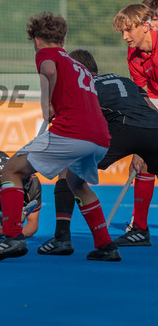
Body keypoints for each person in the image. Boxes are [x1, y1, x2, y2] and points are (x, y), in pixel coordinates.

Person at [0, 12, 119, 262]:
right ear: (64, 40)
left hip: (73, 132)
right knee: (76, 183)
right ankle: (105, 245)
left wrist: (47, 105)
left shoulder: (46, 54)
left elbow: (49, 70)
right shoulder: (78, 65)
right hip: (100, 138)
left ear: (36, 39)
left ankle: (12, 237)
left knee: (12, 169)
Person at [38, 49, 158, 254]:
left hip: (122, 128)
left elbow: (52, 113)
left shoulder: (81, 85)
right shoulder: (125, 80)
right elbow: (151, 109)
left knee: (69, 171)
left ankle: (64, 238)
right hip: (154, 127)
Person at [114, 2, 158, 235]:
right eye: (122, 31)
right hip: (155, 102)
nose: (125, 37)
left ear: (145, 26)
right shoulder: (133, 54)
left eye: (128, 30)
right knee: (144, 160)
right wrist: (141, 143)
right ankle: (139, 228)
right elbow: (143, 97)